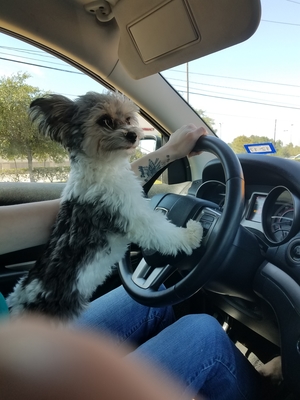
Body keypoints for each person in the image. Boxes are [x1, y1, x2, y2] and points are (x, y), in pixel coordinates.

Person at [0, 124, 266, 399]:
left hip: (18, 329)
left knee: (150, 300)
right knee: (205, 335)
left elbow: (85, 205)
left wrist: (170, 152)